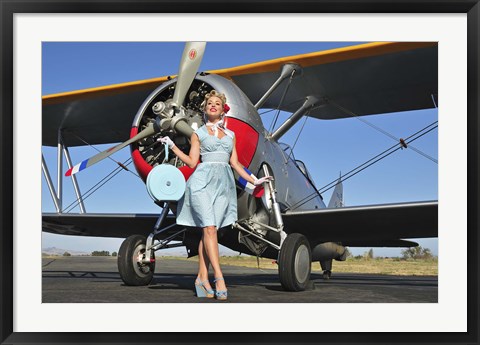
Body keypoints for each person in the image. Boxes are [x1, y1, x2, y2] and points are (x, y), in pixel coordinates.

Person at [158, 90, 272, 300]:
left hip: (223, 186)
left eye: (216, 103)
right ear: (205, 109)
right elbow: (192, 162)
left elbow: (235, 164)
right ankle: (218, 277)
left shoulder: (231, 136)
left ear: (222, 109)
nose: (212, 105)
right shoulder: (198, 134)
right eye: (209, 103)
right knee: (209, 228)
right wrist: (173, 146)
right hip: (201, 183)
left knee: (209, 233)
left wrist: (254, 181)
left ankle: (201, 279)